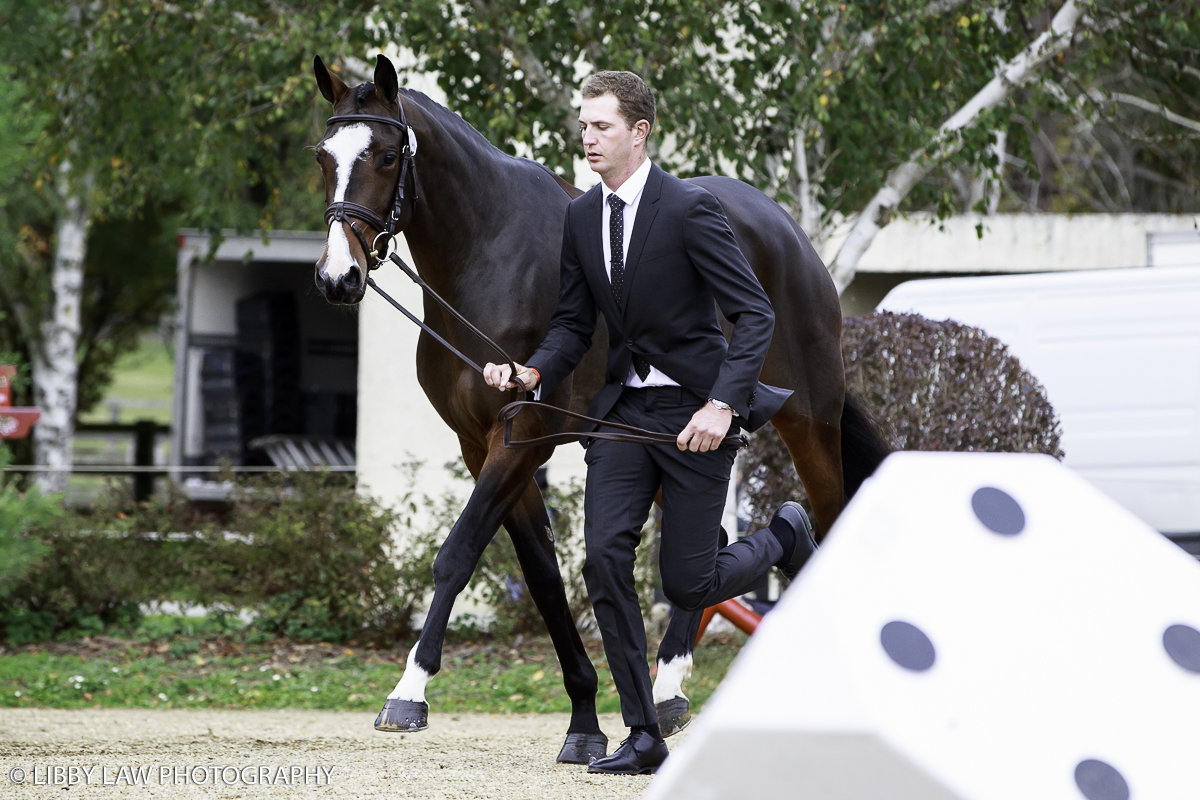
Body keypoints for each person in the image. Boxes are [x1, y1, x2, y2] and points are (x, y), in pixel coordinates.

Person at [483, 71, 816, 775]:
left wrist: (723, 403)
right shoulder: (580, 219)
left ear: (639, 132)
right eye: (582, 124)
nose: (587, 137)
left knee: (688, 584)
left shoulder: (690, 209)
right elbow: (573, 324)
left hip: (697, 412)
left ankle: (785, 532)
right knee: (603, 559)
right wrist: (532, 372)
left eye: (601, 125)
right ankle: (642, 735)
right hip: (624, 413)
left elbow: (754, 315)